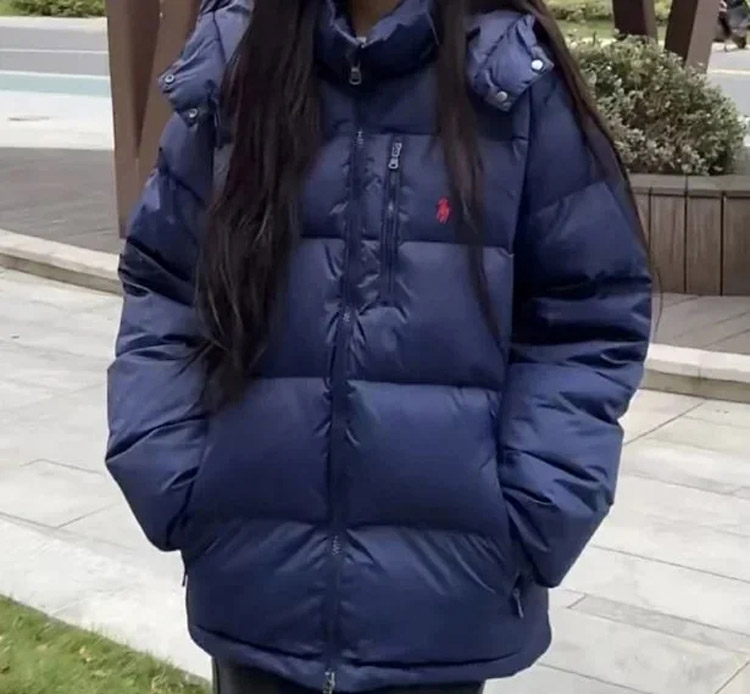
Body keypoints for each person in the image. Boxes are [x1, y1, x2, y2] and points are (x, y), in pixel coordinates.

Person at [106, 1, 652, 693]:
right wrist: (174, 475)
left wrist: (533, 508)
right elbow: (164, 282)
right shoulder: (239, 60)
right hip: (255, 588)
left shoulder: (509, 77)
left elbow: (589, 311)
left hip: (444, 606)